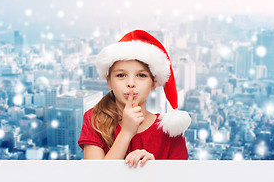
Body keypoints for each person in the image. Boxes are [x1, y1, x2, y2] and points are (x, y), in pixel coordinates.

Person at [78, 30, 191, 167]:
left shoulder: (170, 131)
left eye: (141, 75)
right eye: (121, 75)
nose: (131, 83)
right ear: (109, 82)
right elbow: (95, 177)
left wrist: (153, 168)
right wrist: (126, 132)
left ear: (153, 83)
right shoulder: (94, 120)